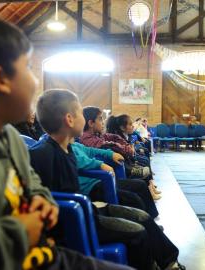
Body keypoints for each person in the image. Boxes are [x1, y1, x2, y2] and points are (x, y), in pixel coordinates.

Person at [0, 9, 133, 270]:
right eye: (28, 68)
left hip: (41, 254)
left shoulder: (8, 135)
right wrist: (19, 232)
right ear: (1, 79)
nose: (35, 82)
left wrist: (41, 201)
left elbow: (33, 184)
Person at [30, 89, 184, 270]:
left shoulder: (69, 148)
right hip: (78, 222)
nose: (83, 117)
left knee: (142, 217)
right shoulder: (42, 153)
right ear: (70, 119)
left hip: (89, 210)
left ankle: (169, 262)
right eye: (80, 112)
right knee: (138, 233)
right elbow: (46, 197)